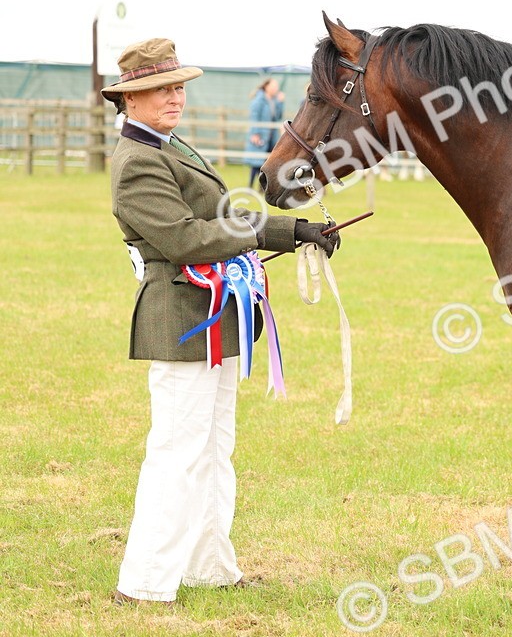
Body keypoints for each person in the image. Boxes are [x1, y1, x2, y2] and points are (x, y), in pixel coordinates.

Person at [103, 38, 339, 605]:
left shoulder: (169, 146)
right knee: (177, 451)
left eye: (179, 86)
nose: (175, 96)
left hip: (215, 316)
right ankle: (143, 583)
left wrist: (295, 229)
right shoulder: (137, 163)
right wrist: (262, 235)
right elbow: (185, 239)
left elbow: (221, 214)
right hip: (180, 317)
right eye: (162, 88)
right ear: (130, 99)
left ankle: (208, 564)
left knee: (213, 448)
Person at [246, 78, 285, 188]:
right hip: (261, 134)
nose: (275, 89)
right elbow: (254, 117)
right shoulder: (259, 100)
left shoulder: (273, 100)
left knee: (266, 161)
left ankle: (261, 186)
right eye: (273, 86)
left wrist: (280, 103)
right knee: (256, 161)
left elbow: (278, 116)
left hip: (271, 136)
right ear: (266, 86)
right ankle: (250, 185)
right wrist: (255, 133)